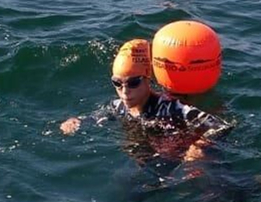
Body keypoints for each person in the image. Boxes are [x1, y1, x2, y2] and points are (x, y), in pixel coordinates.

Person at [60, 39, 230, 155]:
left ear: (148, 79)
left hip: (177, 158)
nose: (125, 91)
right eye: (117, 83)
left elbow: (221, 127)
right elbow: (97, 117)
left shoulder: (170, 107)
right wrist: (78, 121)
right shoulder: (118, 106)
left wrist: (199, 145)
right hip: (147, 157)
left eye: (133, 83)